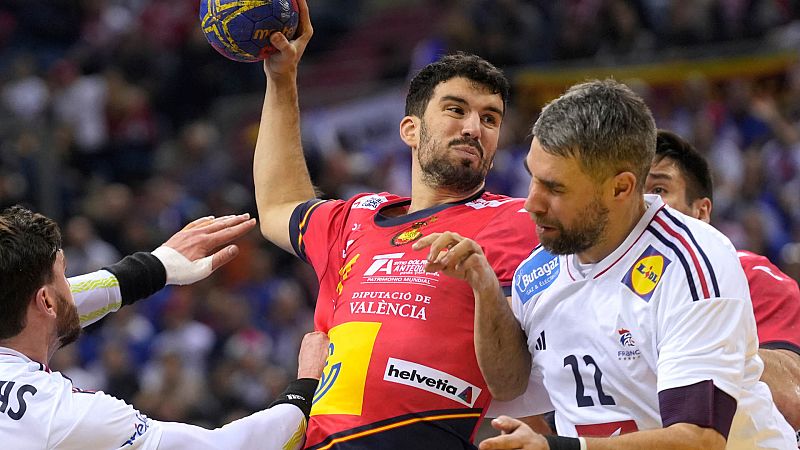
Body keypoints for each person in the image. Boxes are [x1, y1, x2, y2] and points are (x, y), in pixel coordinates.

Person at [414, 79, 796, 449]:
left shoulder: (692, 262)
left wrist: (562, 448)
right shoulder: (538, 269)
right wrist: (484, 286)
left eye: (556, 188)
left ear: (621, 188)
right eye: (533, 179)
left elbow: (699, 439)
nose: (531, 203)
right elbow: (510, 385)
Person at [251, 0, 539, 447]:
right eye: (455, 110)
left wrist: (483, 285)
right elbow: (278, 205)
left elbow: (511, 381)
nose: (473, 128)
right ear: (410, 129)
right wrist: (282, 78)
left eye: (489, 118)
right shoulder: (357, 217)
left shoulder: (519, 220)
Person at [0, 205, 330, 449]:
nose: (72, 287)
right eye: (64, 275)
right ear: (45, 301)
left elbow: (54, 307)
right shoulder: (67, 417)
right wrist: (306, 388)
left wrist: (153, 267)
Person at [646, 129, 800, 433]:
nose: (644, 205)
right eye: (633, 191)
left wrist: (701, 344)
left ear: (701, 211)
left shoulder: (751, 274)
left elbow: (792, 396)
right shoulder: (595, 287)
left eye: (659, 190)